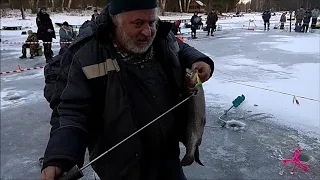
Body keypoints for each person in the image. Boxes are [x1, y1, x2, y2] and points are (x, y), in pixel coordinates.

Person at [40, 0, 214, 179]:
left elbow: (179, 47)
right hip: (121, 169)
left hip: (167, 159)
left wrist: (198, 60)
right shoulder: (86, 54)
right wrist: (60, 157)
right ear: (115, 21)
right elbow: (71, 111)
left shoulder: (159, 35)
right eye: (138, 23)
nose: (148, 32)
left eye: (152, 22)